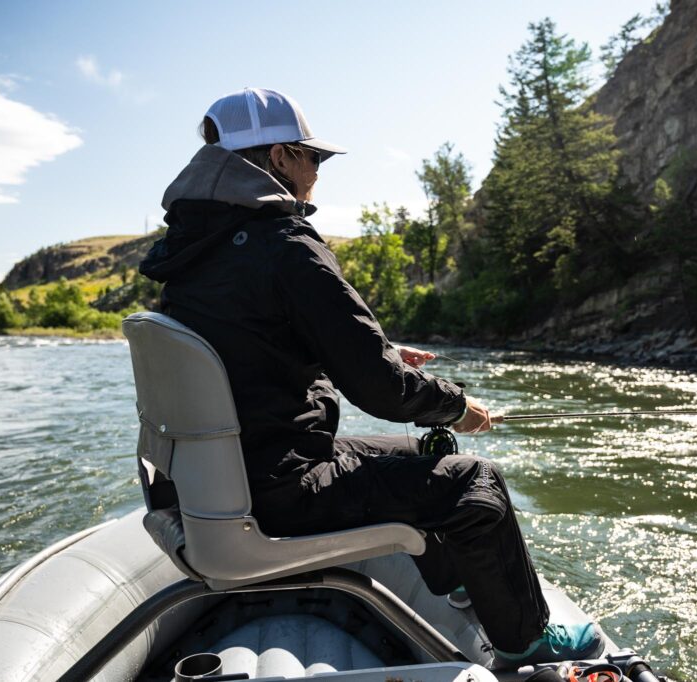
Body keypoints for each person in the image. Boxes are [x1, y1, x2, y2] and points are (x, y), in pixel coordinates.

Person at [139, 87, 600, 666]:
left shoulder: (189, 257)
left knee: (414, 449)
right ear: (280, 158)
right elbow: (380, 391)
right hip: (280, 489)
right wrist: (460, 406)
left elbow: (251, 347)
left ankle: (458, 584)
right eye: (313, 157)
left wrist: (368, 349)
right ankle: (523, 641)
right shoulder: (286, 246)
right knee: (474, 479)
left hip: (214, 482)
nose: (317, 170)